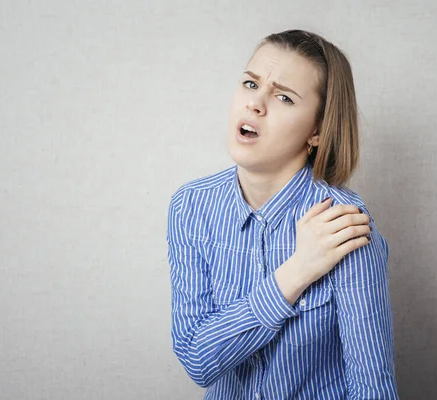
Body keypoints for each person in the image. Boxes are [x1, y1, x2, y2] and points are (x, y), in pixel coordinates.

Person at [167, 29, 399, 399]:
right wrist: (298, 271)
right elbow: (197, 359)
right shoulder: (191, 207)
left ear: (318, 131)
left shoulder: (344, 225)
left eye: (284, 97)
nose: (255, 104)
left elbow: (372, 388)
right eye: (250, 83)